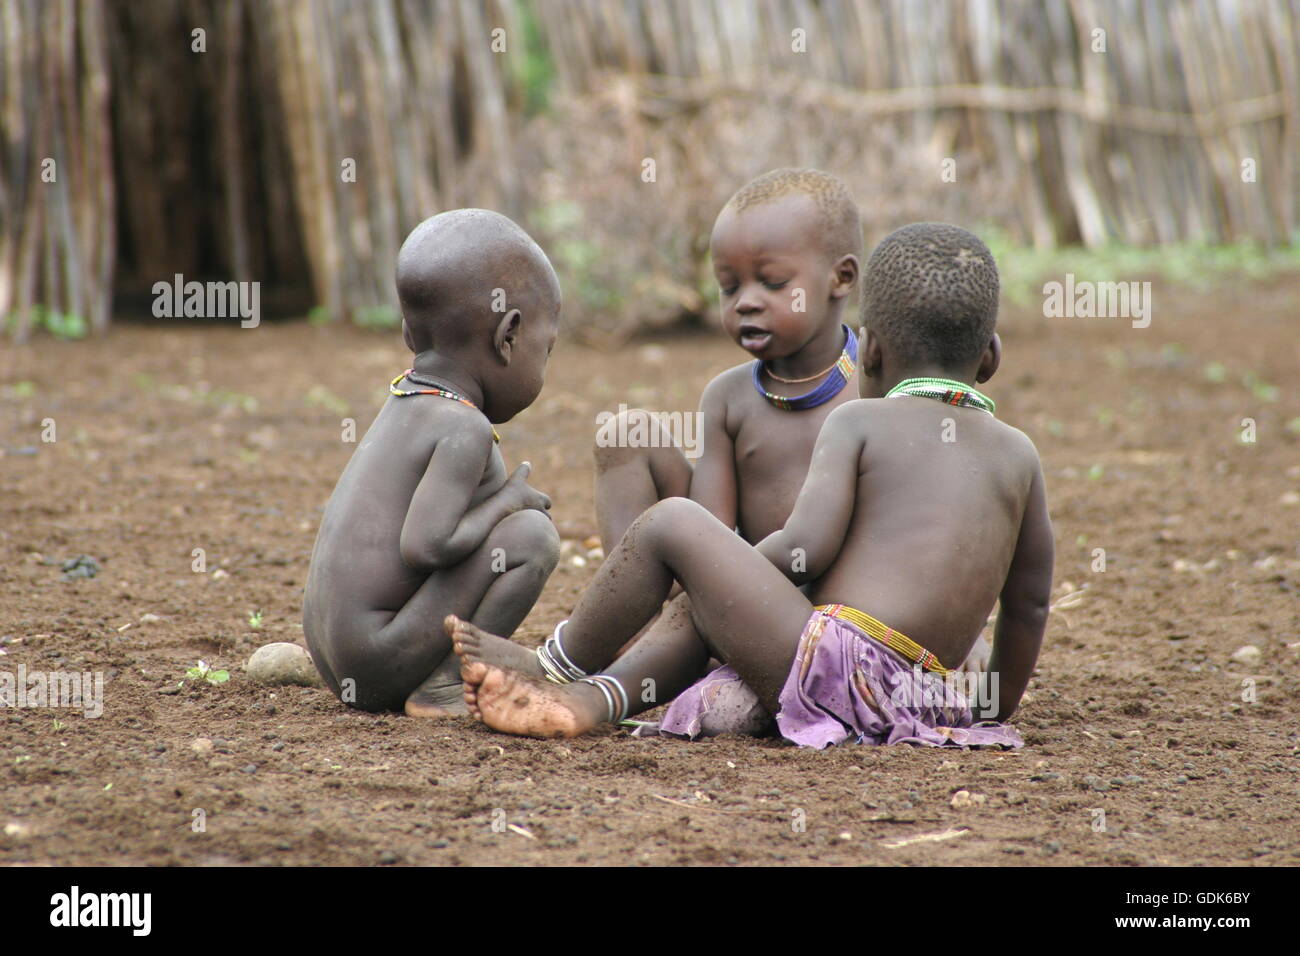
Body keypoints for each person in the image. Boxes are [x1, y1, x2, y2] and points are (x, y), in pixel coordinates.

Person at [448, 222, 1053, 748]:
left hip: (843, 671)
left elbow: (805, 548)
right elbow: (1027, 604)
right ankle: (591, 701)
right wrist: (986, 710)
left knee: (674, 523)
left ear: (869, 352)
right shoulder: (1020, 455)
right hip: (931, 699)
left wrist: (722, 572)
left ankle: (557, 666)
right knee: (709, 608)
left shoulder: (858, 421)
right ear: (990, 356)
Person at [303, 209, 561, 716]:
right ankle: (442, 688)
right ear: (508, 336)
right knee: (532, 538)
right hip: (378, 657)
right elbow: (427, 545)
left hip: (339, 658)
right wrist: (509, 500)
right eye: (545, 349)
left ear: (407, 333)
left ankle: (433, 678)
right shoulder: (462, 427)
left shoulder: (404, 405)